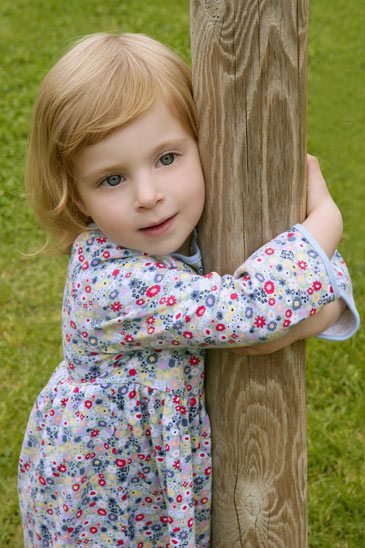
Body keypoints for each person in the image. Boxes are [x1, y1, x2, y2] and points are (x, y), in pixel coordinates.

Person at [18, 33, 359, 547]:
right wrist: (327, 219)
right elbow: (256, 308)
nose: (149, 196)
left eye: (167, 158)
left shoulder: (188, 241)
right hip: (103, 493)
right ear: (77, 195)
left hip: (150, 471)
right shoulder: (114, 286)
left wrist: (306, 311)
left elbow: (285, 296)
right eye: (112, 179)